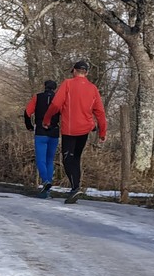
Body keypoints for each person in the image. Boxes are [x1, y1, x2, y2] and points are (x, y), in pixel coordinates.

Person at [43, 60, 107, 203]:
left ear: (74, 71)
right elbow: (100, 112)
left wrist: (47, 119)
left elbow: (55, 104)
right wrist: (102, 132)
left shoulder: (68, 84)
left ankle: (75, 188)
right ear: (87, 73)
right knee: (76, 158)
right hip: (85, 130)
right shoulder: (93, 88)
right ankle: (75, 188)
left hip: (70, 129)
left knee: (67, 159)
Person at [24, 79, 61, 197]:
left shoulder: (37, 97)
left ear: (44, 86)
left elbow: (27, 112)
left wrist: (29, 126)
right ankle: (47, 191)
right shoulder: (59, 99)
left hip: (40, 131)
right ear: (55, 88)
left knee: (41, 160)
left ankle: (45, 181)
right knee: (50, 160)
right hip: (54, 132)